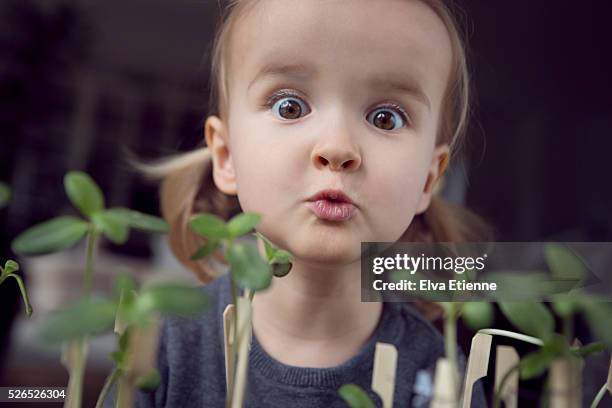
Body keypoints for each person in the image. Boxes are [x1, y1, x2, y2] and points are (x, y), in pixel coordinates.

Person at [133, 0, 491, 406]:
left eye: (385, 118)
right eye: (290, 106)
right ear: (226, 156)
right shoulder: (163, 345)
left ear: (429, 176)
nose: (337, 148)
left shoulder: (444, 382)